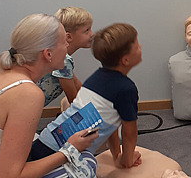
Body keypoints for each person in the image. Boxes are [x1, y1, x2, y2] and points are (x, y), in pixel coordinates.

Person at [0, 14, 100, 178]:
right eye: (64, 42)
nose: (68, 44)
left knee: (39, 143)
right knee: (84, 165)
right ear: (48, 54)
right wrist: (70, 151)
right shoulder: (26, 94)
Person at [31, 22, 143, 169]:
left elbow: (111, 122)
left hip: (47, 138)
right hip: (59, 156)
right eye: (136, 46)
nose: (140, 47)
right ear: (125, 60)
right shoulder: (126, 89)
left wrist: (117, 155)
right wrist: (127, 160)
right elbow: (129, 132)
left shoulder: (96, 78)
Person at [37, 6, 94, 106]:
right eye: (87, 31)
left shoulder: (63, 59)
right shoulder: (62, 60)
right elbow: (73, 99)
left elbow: (76, 84)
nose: (92, 34)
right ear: (68, 37)